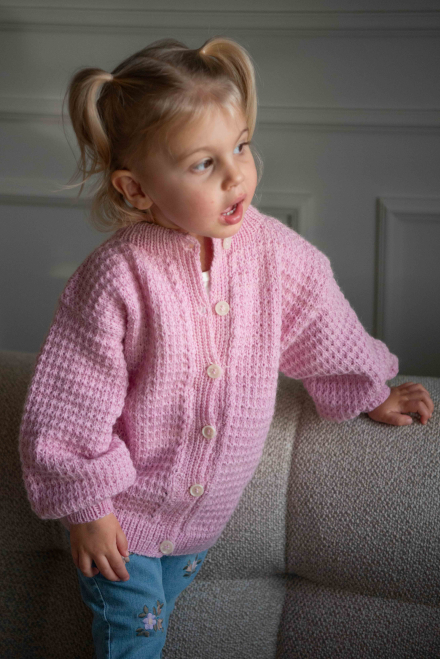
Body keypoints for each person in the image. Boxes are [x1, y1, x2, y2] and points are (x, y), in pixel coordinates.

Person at [18, 36, 434, 659]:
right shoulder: (117, 277)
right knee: (135, 639)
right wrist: (87, 507)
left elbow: (322, 324)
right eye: (203, 164)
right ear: (137, 189)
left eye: (240, 145)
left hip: (203, 524)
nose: (237, 174)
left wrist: (368, 391)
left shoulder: (274, 252)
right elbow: (71, 400)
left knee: (155, 624)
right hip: (121, 521)